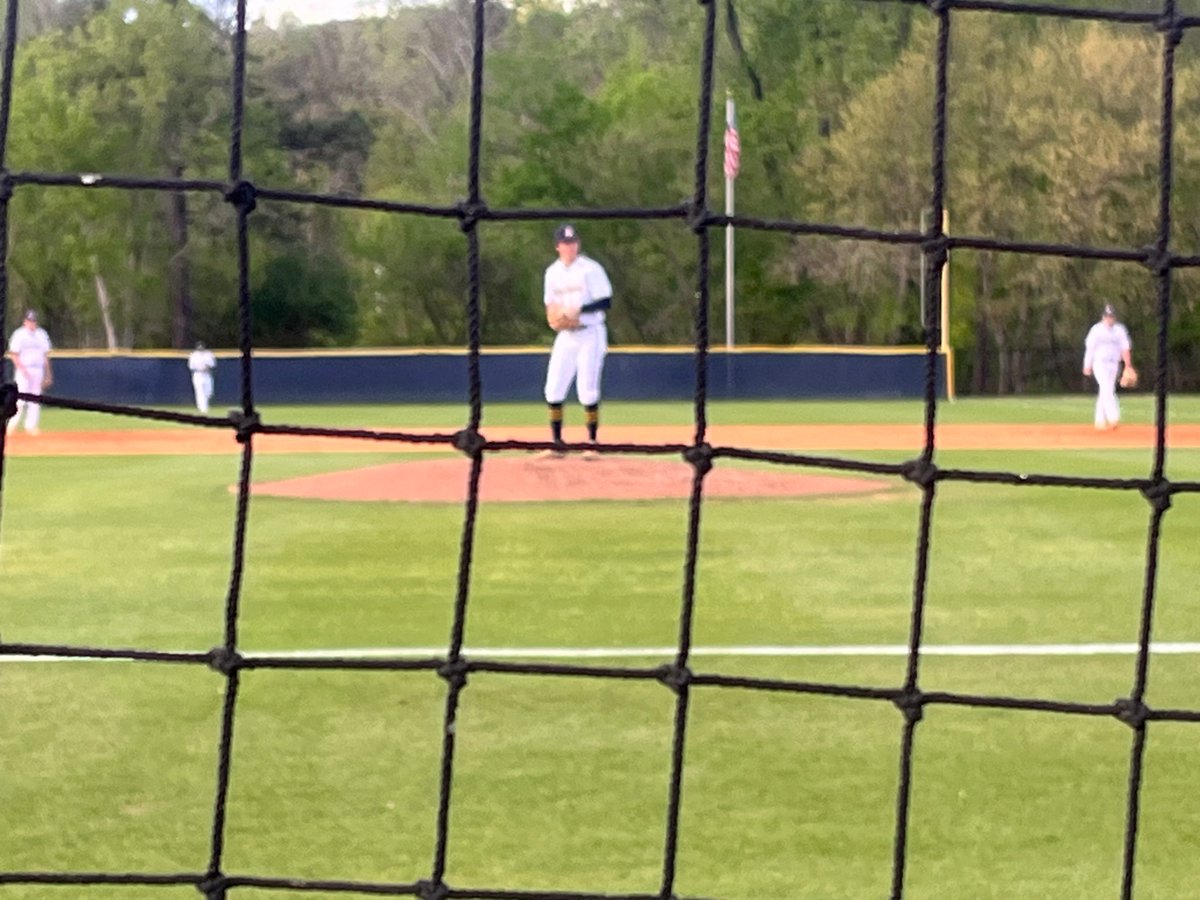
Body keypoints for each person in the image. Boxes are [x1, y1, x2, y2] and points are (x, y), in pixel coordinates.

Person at [538, 223, 613, 460]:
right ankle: (557, 443)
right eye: (565, 243)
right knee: (553, 387)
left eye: (573, 243)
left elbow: (606, 302)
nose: (570, 247)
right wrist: (556, 318)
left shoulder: (590, 269)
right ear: (557, 246)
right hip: (566, 335)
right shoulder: (552, 272)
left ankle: (592, 443)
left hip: (590, 332)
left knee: (587, 390)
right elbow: (550, 305)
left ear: (577, 245)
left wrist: (578, 309)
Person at [1083, 303, 1135, 431]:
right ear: (1103, 317)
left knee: (1106, 389)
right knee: (1106, 388)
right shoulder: (1096, 330)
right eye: (1107, 316)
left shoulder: (1120, 330)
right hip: (1099, 363)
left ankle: (1099, 421)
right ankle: (1113, 417)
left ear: (1115, 317)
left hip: (1114, 364)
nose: (1109, 319)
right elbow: (1090, 348)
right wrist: (1087, 365)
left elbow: (1125, 348)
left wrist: (1128, 365)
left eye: (1111, 316)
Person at [6, 309, 52, 436]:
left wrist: (48, 374)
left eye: (33, 321)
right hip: (23, 370)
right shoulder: (19, 334)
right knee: (19, 399)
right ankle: (11, 426)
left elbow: (45, 356)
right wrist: (22, 369)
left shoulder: (41, 334)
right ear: (25, 321)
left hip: (38, 369)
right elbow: (14, 354)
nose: (32, 323)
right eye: (29, 321)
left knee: (35, 399)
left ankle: (31, 426)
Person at [187, 341, 217, 413]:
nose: (200, 348)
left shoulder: (209, 354)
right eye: (199, 347)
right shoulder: (193, 355)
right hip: (198, 374)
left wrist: (207, 367)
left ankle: (204, 405)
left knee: (209, 392)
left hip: (207, 374)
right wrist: (199, 368)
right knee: (200, 392)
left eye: (201, 347)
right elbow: (191, 366)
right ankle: (203, 408)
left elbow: (213, 364)